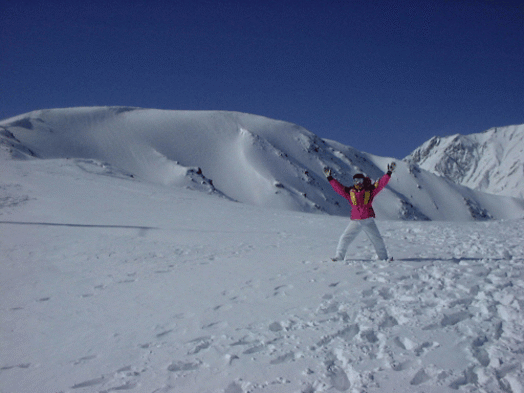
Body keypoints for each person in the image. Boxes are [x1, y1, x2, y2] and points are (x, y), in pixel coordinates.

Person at [323, 163, 396, 261]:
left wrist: (389, 172)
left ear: (363, 181)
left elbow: (381, 184)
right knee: (345, 238)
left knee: (377, 240)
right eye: (356, 181)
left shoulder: (370, 191)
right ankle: (339, 257)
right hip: (356, 221)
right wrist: (329, 177)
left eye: (360, 181)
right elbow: (338, 188)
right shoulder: (350, 192)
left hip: (368, 220)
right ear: (353, 182)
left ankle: (384, 258)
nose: (358, 183)